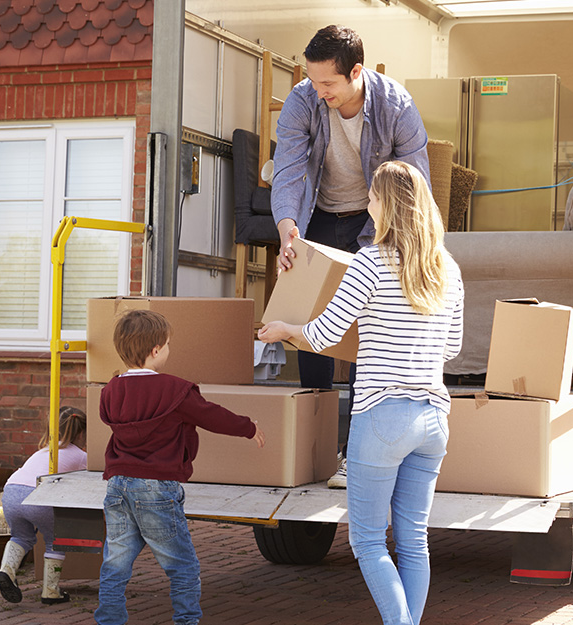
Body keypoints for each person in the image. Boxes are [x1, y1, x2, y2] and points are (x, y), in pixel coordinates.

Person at [259, 161, 463, 625]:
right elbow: (451, 347)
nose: (367, 205)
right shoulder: (447, 268)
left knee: (368, 541)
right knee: (413, 539)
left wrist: (286, 329)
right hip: (433, 417)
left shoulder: (370, 262)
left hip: (382, 416)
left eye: (372, 197)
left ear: (386, 205)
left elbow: (327, 333)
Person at [271, 24, 431, 488]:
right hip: (316, 217)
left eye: (328, 84)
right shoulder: (304, 100)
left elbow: (413, 183)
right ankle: (316, 449)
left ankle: (356, 454)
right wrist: (287, 230)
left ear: (356, 72)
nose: (317, 91)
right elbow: (288, 169)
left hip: (375, 222)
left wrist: (391, 246)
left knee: (367, 330)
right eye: (312, 80)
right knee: (311, 321)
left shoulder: (396, 106)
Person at [94, 309, 266, 625]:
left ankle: (109, 620)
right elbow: (211, 415)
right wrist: (248, 427)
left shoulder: (111, 390)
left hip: (117, 485)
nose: (169, 350)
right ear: (156, 350)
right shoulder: (175, 391)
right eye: (168, 344)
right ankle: (186, 621)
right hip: (157, 487)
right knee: (182, 565)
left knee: (115, 563)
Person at [0, 405, 88, 605]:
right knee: (56, 540)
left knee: (20, 536)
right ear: (81, 433)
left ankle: (6, 571)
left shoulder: (43, 451)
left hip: (11, 492)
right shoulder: (81, 456)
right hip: (38, 495)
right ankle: (50, 591)